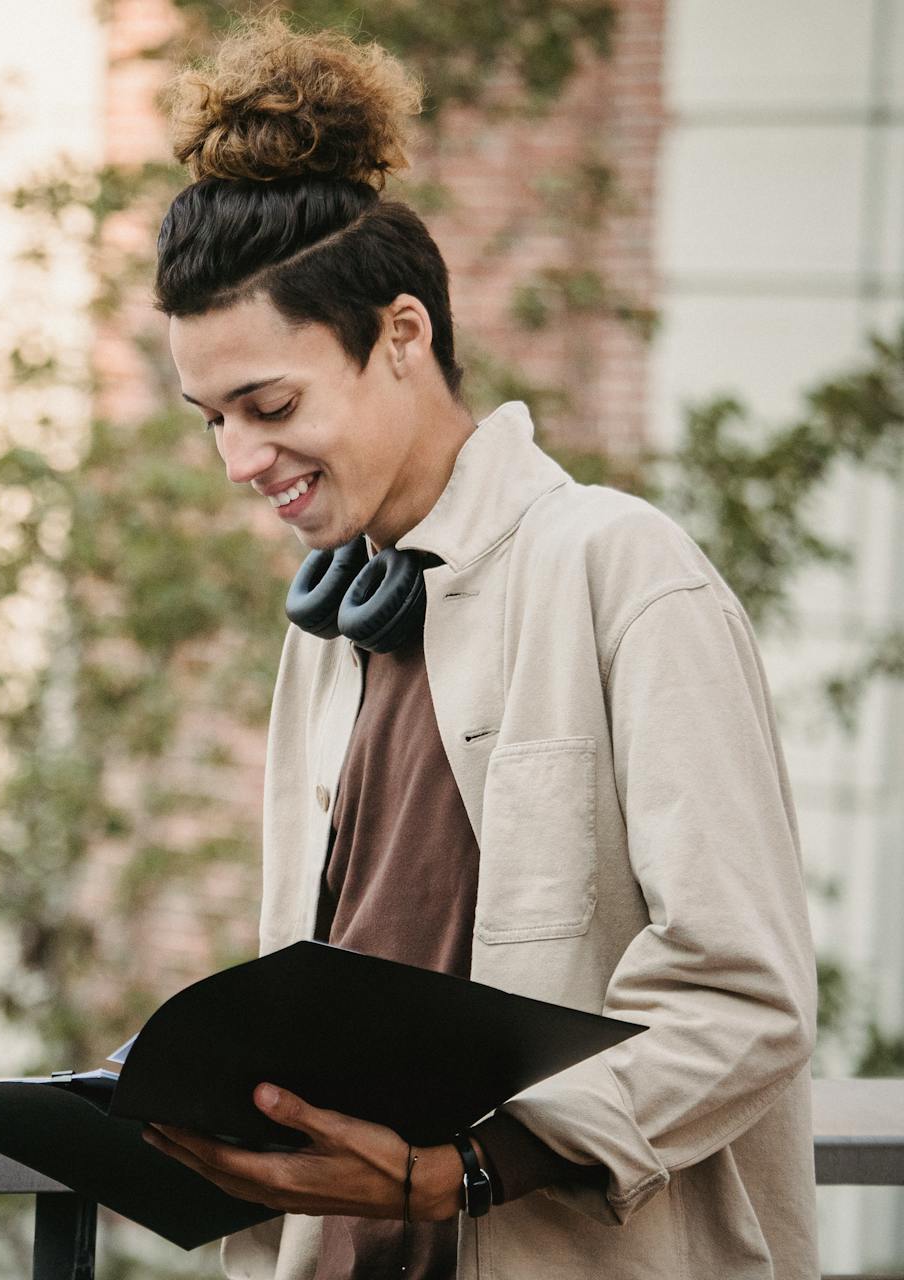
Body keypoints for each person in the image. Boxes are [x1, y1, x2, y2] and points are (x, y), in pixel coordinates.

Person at [134, 19, 817, 1280]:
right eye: (213, 418)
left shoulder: (625, 570)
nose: (238, 461)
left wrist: (470, 1170)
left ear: (402, 334)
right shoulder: (327, 626)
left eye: (271, 405)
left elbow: (747, 996)